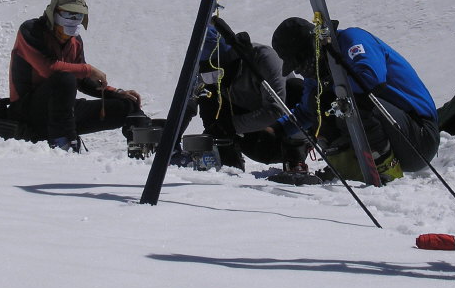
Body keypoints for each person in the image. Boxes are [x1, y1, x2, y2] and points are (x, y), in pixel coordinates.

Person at [269, 17, 439, 184]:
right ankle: (346, 167)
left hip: (418, 137)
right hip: (398, 133)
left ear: (312, 47)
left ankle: (384, 168)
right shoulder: (319, 70)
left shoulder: (352, 39)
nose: (300, 71)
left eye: (300, 63)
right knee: (319, 101)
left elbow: (371, 79)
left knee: (349, 100)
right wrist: (276, 130)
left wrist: (330, 87)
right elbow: (307, 111)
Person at [8, 0, 144, 151]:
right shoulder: (31, 31)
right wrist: (88, 69)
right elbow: (48, 69)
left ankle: (148, 146)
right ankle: (63, 142)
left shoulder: (75, 41)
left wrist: (116, 92)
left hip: (62, 112)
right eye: (67, 13)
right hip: (28, 112)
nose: (72, 19)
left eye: (78, 15)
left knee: (127, 105)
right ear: (54, 11)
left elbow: (83, 81)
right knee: (64, 79)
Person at [182, 21, 306, 171]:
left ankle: (295, 160)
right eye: (208, 75)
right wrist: (171, 142)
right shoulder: (208, 72)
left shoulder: (264, 58)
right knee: (207, 94)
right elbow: (187, 106)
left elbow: (276, 109)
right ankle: (227, 161)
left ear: (231, 60)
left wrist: (231, 125)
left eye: (217, 73)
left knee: (297, 89)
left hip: (280, 132)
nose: (215, 79)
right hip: (251, 137)